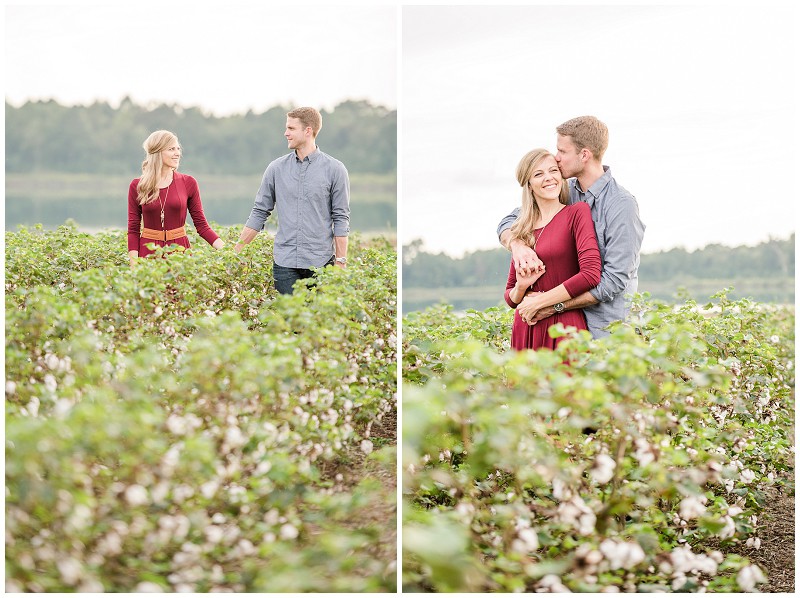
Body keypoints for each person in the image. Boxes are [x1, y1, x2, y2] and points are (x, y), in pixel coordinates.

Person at [498, 116, 645, 338]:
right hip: (568, 328)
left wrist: (552, 306)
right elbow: (509, 222)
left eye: (562, 152)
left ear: (584, 155)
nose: (556, 159)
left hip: (608, 330)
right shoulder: (565, 190)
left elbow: (613, 281)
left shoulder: (621, 204)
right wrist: (518, 245)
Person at [234, 107, 350, 295]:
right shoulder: (276, 168)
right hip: (284, 263)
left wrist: (341, 262)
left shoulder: (335, 170)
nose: (285, 133)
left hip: (321, 263)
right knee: (290, 321)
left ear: (308, 131)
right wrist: (236, 251)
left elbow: (341, 218)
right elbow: (259, 212)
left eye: (291, 128)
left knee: (317, 322)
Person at [504, 149, 601, 350]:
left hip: (564, 327)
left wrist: (540, 302)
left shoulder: (576, 212)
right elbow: (510, 298)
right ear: (528, 184)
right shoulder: (521, 227)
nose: (549, 178)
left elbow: (591, 274)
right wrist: (522, 287)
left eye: (553, 171)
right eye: (538, 174)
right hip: (525, 327)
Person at [127, 130, 224, 267]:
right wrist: (134, 265)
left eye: (178, 148)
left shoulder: (188, 182)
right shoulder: (137, 185)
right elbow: (133, 230)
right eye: (171, 149)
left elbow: (202, 226)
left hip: (180, 253)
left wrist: (228, 253)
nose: (177, 153)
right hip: (148, 254)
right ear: (157, 152)